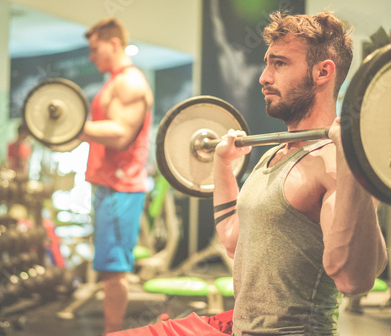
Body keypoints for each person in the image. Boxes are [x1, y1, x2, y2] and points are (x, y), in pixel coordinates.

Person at [109, 11, 388, 336]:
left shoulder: (333, 165)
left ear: (322, 72)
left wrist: (353, 163)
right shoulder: (271, 155)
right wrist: (222, 164)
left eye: (279, 64)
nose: (263, 77)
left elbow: (353, 279)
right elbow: (234, 241)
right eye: (267, 63)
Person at [78, 18, 153, 335]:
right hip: (110, 186)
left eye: (95, 49)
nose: (91, 57)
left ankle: (114, 332)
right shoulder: (115, 82)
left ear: (113, 44)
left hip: (121, 187)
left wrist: (75, 128)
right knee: (110, 269)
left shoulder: (130, 83)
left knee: (114, 271)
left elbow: (121, 134)